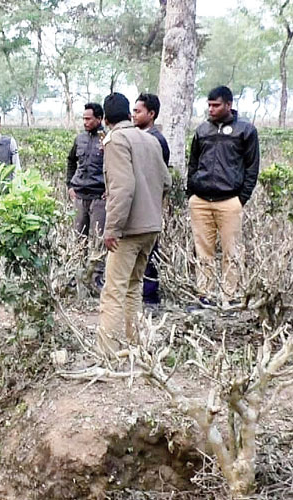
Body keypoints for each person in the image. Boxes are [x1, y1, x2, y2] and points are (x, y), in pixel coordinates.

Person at [97, 93, 171, 356]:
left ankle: (107, 354)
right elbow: (166, 182)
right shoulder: (150, 139)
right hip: (151, 227)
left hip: (128, 231)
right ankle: (134, 345)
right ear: (129, 114)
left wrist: (112, 228)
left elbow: (123, 188)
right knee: (133, 287)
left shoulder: (116, 139)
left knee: (113, 290)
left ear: (105, 119)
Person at [187, 86, 259, 306]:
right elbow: (193, 163)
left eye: (216, 105)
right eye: (209, 105)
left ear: (229, 105)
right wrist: (191, 192)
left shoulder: (245, 130)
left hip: (230, 201)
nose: (211, 109)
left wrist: (241, 198)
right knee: (203, 251)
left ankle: (230, 296)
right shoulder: (202, 130)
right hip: (200, 201)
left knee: (232, 251)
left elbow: (252, 167)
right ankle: (204, 295)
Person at [132, 93, 170, 309]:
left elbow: (159, 178)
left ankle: (151, 296)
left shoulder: (157, 140)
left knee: (150, 252)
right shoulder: (137, 136)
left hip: (150, 205)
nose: (134, 115)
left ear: (151, 114)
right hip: (139, 204)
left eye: (138, 111)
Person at [66, 103, 106, 288]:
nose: (85, 122)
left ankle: (96, 277)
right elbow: (71, 161)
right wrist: (70, 185)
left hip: (99, 197)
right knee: (79, 237)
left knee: (98, 239)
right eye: (83, 118)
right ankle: (77, 274)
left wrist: (111, 189)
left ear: (99, 119)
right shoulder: (79, 139)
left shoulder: (107, 139)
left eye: (89, 118)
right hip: (80, 195)